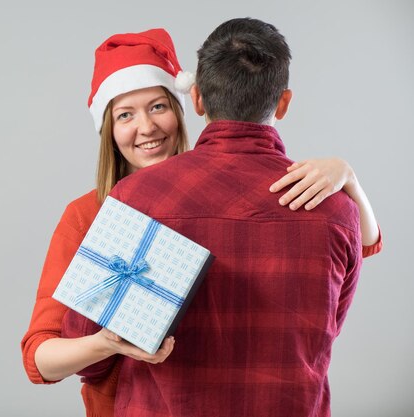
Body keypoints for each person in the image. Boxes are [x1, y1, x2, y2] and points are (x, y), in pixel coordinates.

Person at [21, 27, 382, 417]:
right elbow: (325, 328)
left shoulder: (132, 202)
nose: (146, 128)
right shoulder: (334, 209)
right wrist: (106, 342)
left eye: (157, 107)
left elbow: (88, 359)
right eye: (126, 114)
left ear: (192, 100)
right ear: (283, 103)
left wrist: (348, 177)